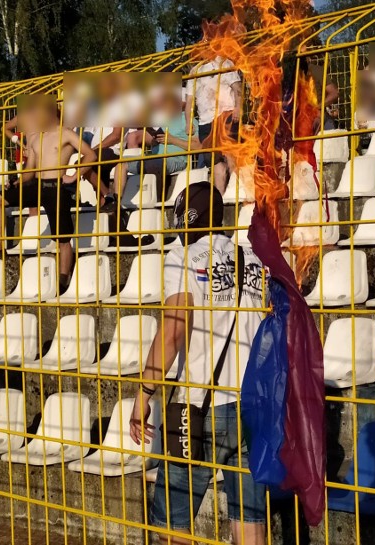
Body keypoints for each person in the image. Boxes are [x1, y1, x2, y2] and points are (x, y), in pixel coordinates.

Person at [129, 182, 267, 545]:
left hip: (199, 406)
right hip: (253, 403)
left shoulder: (182, 258)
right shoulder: (252, 259)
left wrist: (143, 394)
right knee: (249, 516)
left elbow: (173, 332)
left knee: (173, 523)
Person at [0, 96, 96, 292]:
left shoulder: (66, 134)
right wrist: (17, 182)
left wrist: (74, 175)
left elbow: (91, 155)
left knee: (62, 239)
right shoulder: (37, 138)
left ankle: (63, 279)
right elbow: (30, 170)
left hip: (56, 186)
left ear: (52, 113)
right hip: (37, 185)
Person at [109, 92, 194, 212]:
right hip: (154, 158)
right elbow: (149, 138)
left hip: (176, 159)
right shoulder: (164, 121)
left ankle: (157, 203)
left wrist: (173, 140)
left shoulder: (190, 121)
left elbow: (199, 146)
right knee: (121, 164)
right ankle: (117, 201)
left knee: (156, 162)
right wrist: (153, 138)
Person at [186, 56, 243, 194]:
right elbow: (189, 101)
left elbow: (237, 88)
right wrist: (188, 122)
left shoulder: (224, 63)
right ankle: (221, 198)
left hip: (225, 114)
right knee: (215, 161)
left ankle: (237, 191)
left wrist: (238, 107)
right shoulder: (195, 71)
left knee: (229, 153)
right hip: (205, 121)